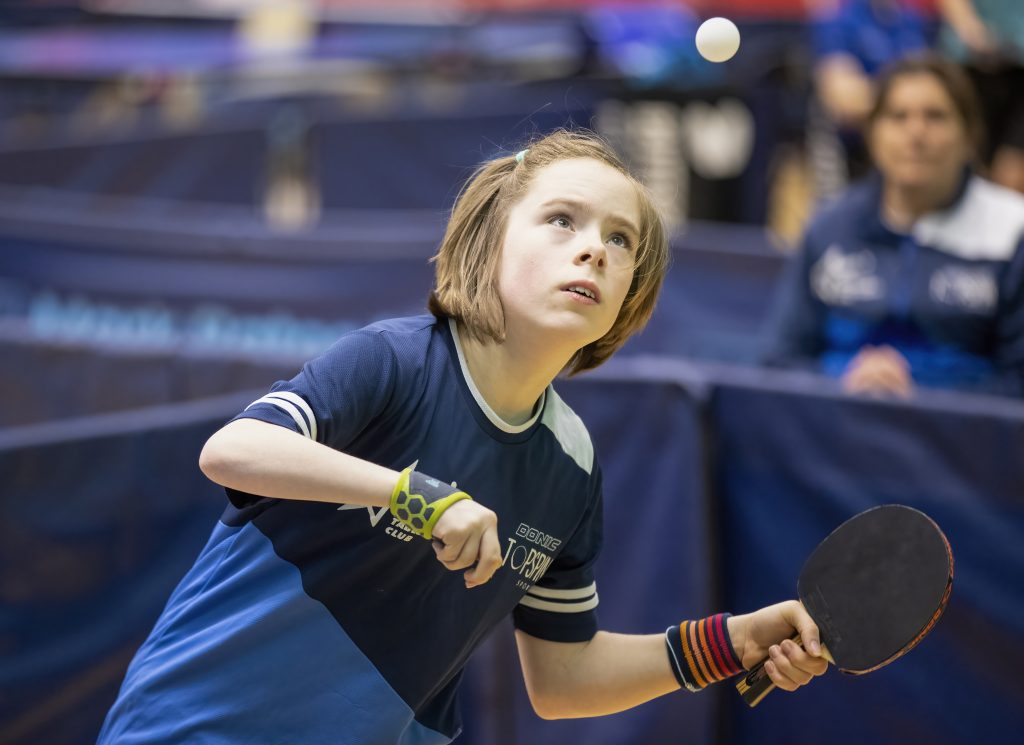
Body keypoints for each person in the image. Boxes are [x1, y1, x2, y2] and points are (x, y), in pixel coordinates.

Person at [98, 130, 826, 745]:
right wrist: (419, 498)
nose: (594, 250)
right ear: (492, 238)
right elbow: (233, 451)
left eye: (620, 238)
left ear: (633, 290)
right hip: (192, 725)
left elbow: (565, 678)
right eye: (562, 220)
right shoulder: (396, 360)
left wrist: (729, 644)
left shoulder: (570, 467)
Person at [767, 54, 1024, 397]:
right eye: (898, 116)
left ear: (969, 136)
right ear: (873, 135)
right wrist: (846, 380)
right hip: (840, 431)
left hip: (963, 442)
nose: (915, 133)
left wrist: (920, 392)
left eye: (936, 116)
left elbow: (1017, 381)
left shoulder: (1012, 231)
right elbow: (779, 362)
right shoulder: (830, 227)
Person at [807, 0, 929, 198]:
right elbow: (845, 101)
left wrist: (872, 93)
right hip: (849, 147)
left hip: (901, 147)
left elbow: (928, 91)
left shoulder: (911, 18)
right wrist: (900, 100)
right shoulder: (839, 16)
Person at [937, 0, 1024, 193]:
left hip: (1018, 74)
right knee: (966, 165)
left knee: (1012, 173)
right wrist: (970, 27)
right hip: (973, 67)